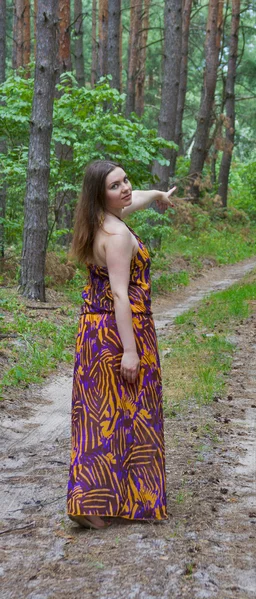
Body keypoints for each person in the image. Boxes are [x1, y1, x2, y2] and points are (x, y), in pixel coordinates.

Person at [67, 160, 175, 529]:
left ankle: (90, 501)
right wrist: (131, 351)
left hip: (93, 332)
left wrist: (158, 195)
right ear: (101, 194)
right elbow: (120, 294)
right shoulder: (118, 236)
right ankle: (126, 500)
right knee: (136, 413)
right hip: (121, 332)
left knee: (98, 416)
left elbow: (136, 200)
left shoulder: (96, 220)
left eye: (126, 181)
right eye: (116, 185)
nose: (126, 189)